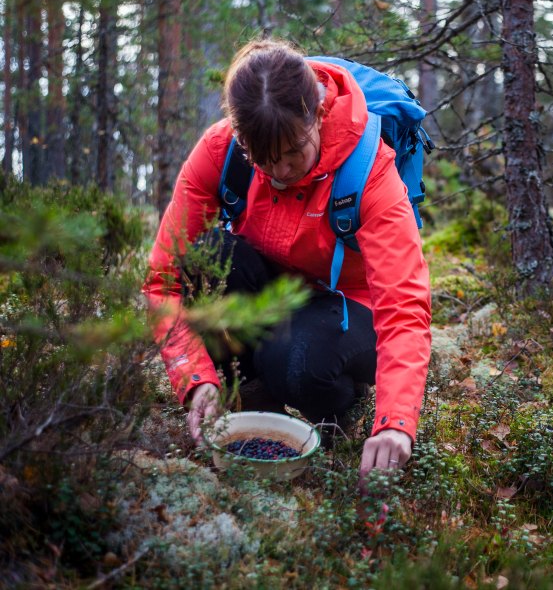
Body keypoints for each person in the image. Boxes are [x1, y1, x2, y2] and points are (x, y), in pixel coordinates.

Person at [143, 39, 431, 479]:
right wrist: (194, 378)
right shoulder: (221, 151)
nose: (280, 171)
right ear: (239, 136)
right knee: (205, 260)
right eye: (263, 159)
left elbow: (404, 309)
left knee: (294, 363)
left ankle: (337, 404)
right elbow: (163, 280)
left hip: (349, 307)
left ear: (317, 112)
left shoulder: (369, 171)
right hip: (276, 289)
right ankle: (245, 394)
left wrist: (396, 423)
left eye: (295, 150)